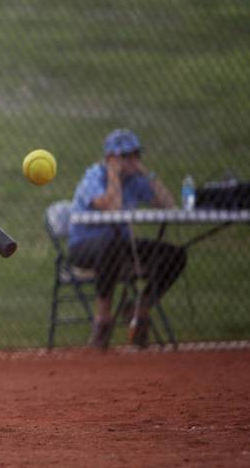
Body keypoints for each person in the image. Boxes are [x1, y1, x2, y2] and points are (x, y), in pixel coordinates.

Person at [67, 129, 187, 349]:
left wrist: (148, 175)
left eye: (135, 155)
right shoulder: (93, 176)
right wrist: (113, 174)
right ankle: (102, 320)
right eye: (125, 156)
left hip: (119, 247)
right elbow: (112, 208)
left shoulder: (136, 179)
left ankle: (140, 308)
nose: (132, 161)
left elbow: (169, 205)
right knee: (110, 247)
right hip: (84, 246)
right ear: (110, 159)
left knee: (175, 255)